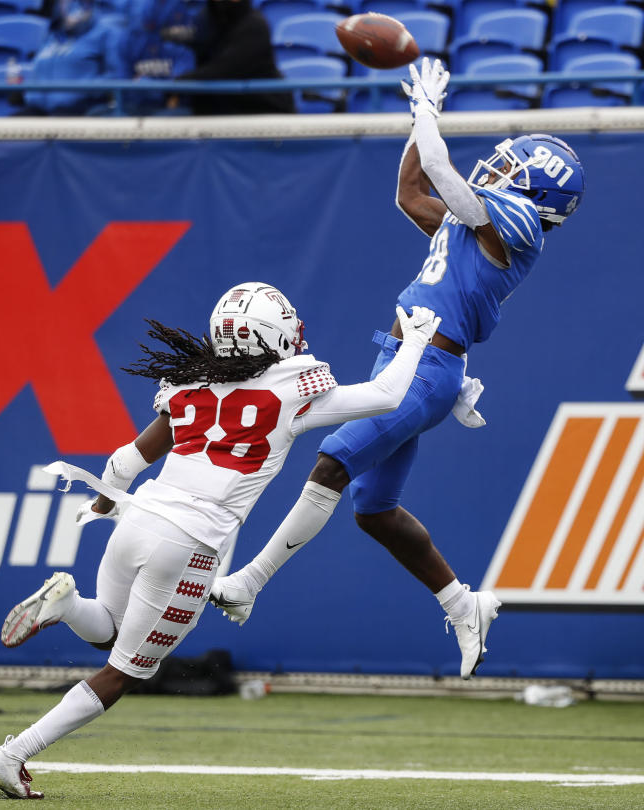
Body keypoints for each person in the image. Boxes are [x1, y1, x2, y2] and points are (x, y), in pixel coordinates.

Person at [0, 282, 440, 799]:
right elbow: (386, 395)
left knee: (108, 630)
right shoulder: (293, 390)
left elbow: (123, 463)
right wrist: (417, 340)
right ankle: (11, 754)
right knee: (122, 673)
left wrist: (104, 506)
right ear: (276, 334)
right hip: (189, 543)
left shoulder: (191, 383)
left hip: (138, 518)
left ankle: (65, 607)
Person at [209, 58, 587, 680]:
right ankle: (464, 603)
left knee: (329, 460)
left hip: (427, 369)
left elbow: (442, 170)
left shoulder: (517, 228)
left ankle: (249, 581)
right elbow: (411, 191)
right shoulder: (475, 224)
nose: (503, 166)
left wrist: (428, 113)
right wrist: (420, 124)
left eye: (518, 168)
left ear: (538, 193)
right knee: (373, 509)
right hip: (405, 359)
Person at [166, 0, 294, 115]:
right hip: (226, 112)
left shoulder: (255, 25)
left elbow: (225, 69)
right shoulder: (209, 21)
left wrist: (181, 82)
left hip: (268, 110)